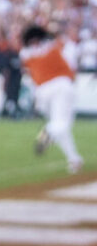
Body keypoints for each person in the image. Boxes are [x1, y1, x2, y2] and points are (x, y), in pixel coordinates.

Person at [20, 23, 84, 173]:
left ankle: (74, 159)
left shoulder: (25, 53)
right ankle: (48, 132)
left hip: (42, 91)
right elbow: (71, 63)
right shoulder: (56, 46)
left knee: (59, 125)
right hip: (61, 85)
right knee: (62, 125)